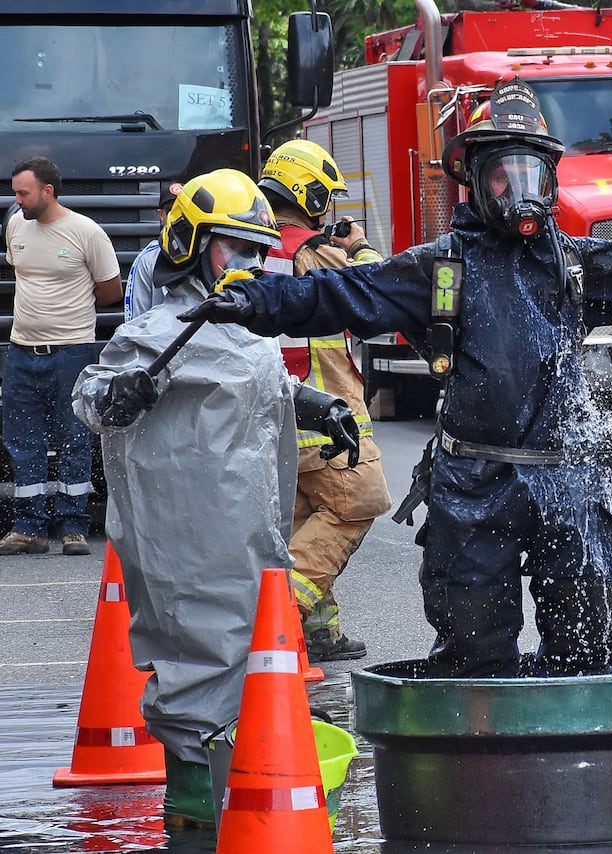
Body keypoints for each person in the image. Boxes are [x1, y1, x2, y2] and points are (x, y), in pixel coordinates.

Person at [182, 76, 612, 679]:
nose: (519, 192)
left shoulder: (577, 263)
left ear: (550, 177)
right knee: (474, 652)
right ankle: (478, 794)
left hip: (567, 482)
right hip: (472, 487)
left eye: (530, 173)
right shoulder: (439, 268)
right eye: (503, 176)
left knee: (586, 650)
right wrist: (254, 299)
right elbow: (337, 295)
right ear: (475, 182)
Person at [70, 169, 360, 826]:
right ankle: (201, 811)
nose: (250, 265)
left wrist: (317, 405)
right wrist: (116, 396)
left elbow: (261, 390)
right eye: (235, 249)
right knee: (201, 661)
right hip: (189, 535)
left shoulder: (243, 330)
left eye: (259, 251)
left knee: (247, 665)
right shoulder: (159, 331)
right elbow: (94, 393)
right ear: (191, 247)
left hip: (248, 534)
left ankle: (243, 796)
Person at [257, 138, 393, 662]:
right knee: (360, 503)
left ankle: (319, 634)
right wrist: (359, 246)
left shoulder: (255, 243)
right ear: (305, 191)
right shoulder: (313, 250)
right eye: (324, 194)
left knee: (301, 520)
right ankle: (281, 616)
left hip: (275, 416)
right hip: (327, 418)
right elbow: (380, 292)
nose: (329, 205)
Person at [1, 156, 121, 557]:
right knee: (23, 442)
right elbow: (22, 272)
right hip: (21, 354)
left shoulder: (86, 232)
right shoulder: (16, 224)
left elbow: (110, 291)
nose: (16, 200)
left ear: (48, 191)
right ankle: (29, 528)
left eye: (23, 192)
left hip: (72, 351)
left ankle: (73, 527)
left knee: (74, 440)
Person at [123, 181, 181, 322]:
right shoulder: (148, 258)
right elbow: (135, 320)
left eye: (183, 210)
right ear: (161, 215)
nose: (177, 217)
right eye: (171, 211)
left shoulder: (207, 253)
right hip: (162, 343)